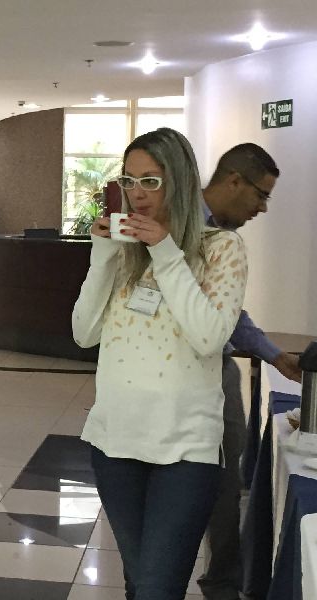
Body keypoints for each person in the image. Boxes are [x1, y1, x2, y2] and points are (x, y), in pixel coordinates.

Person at [72, 127, 248, 600]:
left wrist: (167, 253)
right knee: (140, 584)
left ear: (181, 181)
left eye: (151, 180)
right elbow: (84, 333)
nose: (138, 193)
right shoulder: (124, 251)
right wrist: (101, 257)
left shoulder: (220, 249)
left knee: (157, 587)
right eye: (129, 181)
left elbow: (209, 336)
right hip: (115, 442)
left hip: (185, 449)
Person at [197, 143, 301, 600]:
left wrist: (275, 356)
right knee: (193, 482)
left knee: (225, 483)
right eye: (261, 195)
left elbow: (230, 314)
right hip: (176, 379)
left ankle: (223, 580)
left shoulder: (221, 236)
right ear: (234, 181)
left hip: (217, 372)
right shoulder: (178, 228)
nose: (262, 208)